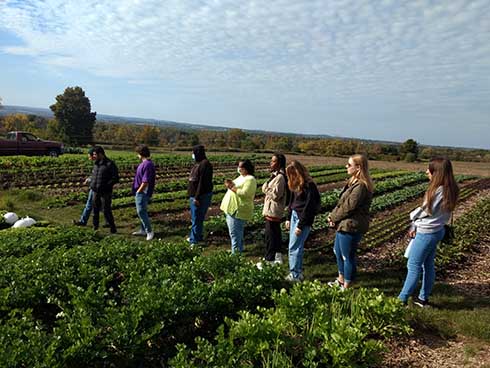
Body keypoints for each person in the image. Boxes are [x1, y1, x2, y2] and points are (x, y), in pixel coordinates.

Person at [398, 156, 459, 306]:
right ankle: (422, 299)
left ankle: (401, 300)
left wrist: (412, 217)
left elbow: (427, 210)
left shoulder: (439, 190)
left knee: (413, 266)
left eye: (429, 169)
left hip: (426, 232)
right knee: (428, 265)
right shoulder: (451, 188)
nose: (426, 171)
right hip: (437, 230)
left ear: (436, 172)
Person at [327, 154, 374, 290]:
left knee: (347, 256)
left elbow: (349, 207)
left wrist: (334, 218)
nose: (346, 166)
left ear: (358, 167)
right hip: (344, 223)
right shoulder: (352, 182)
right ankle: (341, 279)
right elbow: (341, 202)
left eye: (349, 165)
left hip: (352, 225)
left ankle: (346, 286)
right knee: (337, 251)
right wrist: (332, 216)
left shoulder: (361, 187)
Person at [285, 160, 320, 282]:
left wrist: (300, 225)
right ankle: (298, 272)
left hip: (302, 218)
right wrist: (288, 218)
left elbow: (310, 207)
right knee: (296, 246)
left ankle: (294, 274)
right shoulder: (295, 184)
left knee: (294, 247)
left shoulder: (309, 186)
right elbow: (291, 203)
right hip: (295, 215)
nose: (290, 177)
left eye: (292, 174)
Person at [220, 159, 257, 254]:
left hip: (238, 210)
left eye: (241, 167)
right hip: (231, 208)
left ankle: (236, 254)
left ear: (246, 168)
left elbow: (245, 193)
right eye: (239, 166)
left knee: (235, 234)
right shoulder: (241, 177)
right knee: (235, 233)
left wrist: (232, 187)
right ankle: (237, 249)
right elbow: (235, 186)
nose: (239, 169)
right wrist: (230, 183)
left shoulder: (251, 179)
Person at [261, 153, 288, 265]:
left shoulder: (280, 177)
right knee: (275, 234)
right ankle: (277, 257)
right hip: (271, 210)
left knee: (270, 236)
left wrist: (265, 189)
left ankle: (269, 259)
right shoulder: (275, 176)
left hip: (274, 210)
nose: (271, 163)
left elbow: (277, 195)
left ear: (279, 163)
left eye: (273, 161)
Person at [187, 145, 213, 246]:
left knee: (196, 218)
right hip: (196, 195)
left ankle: (194, 240)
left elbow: (202, 183)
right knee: (197, 218)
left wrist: (197, 197)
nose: (192, 155)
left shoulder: (205, 164)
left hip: (200, 196)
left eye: (193, 153)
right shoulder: (199, 163)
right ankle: (198, 236)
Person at [90, 146, 119, 234]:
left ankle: (112, 228)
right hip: (95, 191)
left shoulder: (110, 164)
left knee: (106, 210)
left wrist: (106, 186)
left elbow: (115, 178)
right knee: (95, 210)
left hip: (105, 192)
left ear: (101, 154)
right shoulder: (96, 164)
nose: (94, 156)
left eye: (95, 154)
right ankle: (95, 228)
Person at [131, 145, 156, 241]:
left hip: (143, 192)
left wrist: (139, 191)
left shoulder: (147, 165)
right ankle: (143, 229)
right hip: (141, 191)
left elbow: (145, 181)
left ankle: (149, 231)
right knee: (143, 211)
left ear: (140, 154)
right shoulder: (145, 163)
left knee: (141, 211)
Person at [73, 147, 97, 226]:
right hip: (93, 187)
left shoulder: (102, 164)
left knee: (102, 206)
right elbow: (94, 175)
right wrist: (89, 179)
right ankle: (83, 221)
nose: (89, 158)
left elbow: (98, 176)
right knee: (89, 204)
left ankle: (107, 223)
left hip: (99, 188)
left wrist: (90, 180)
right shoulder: (96, 164)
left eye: (89, 156)